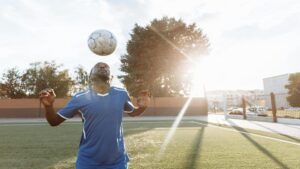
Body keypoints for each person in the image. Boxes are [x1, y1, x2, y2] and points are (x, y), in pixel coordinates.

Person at [39, 62, 150, 169]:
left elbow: (133, 112)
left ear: (111, 77)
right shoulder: (80, 98)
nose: (102, 66)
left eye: (105, 66)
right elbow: (54, 121)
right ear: (91, 76)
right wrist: (49, 106)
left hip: (117, 161)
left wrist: (143, 107)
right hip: (88, 161)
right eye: (98, 66)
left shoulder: (121, 94)